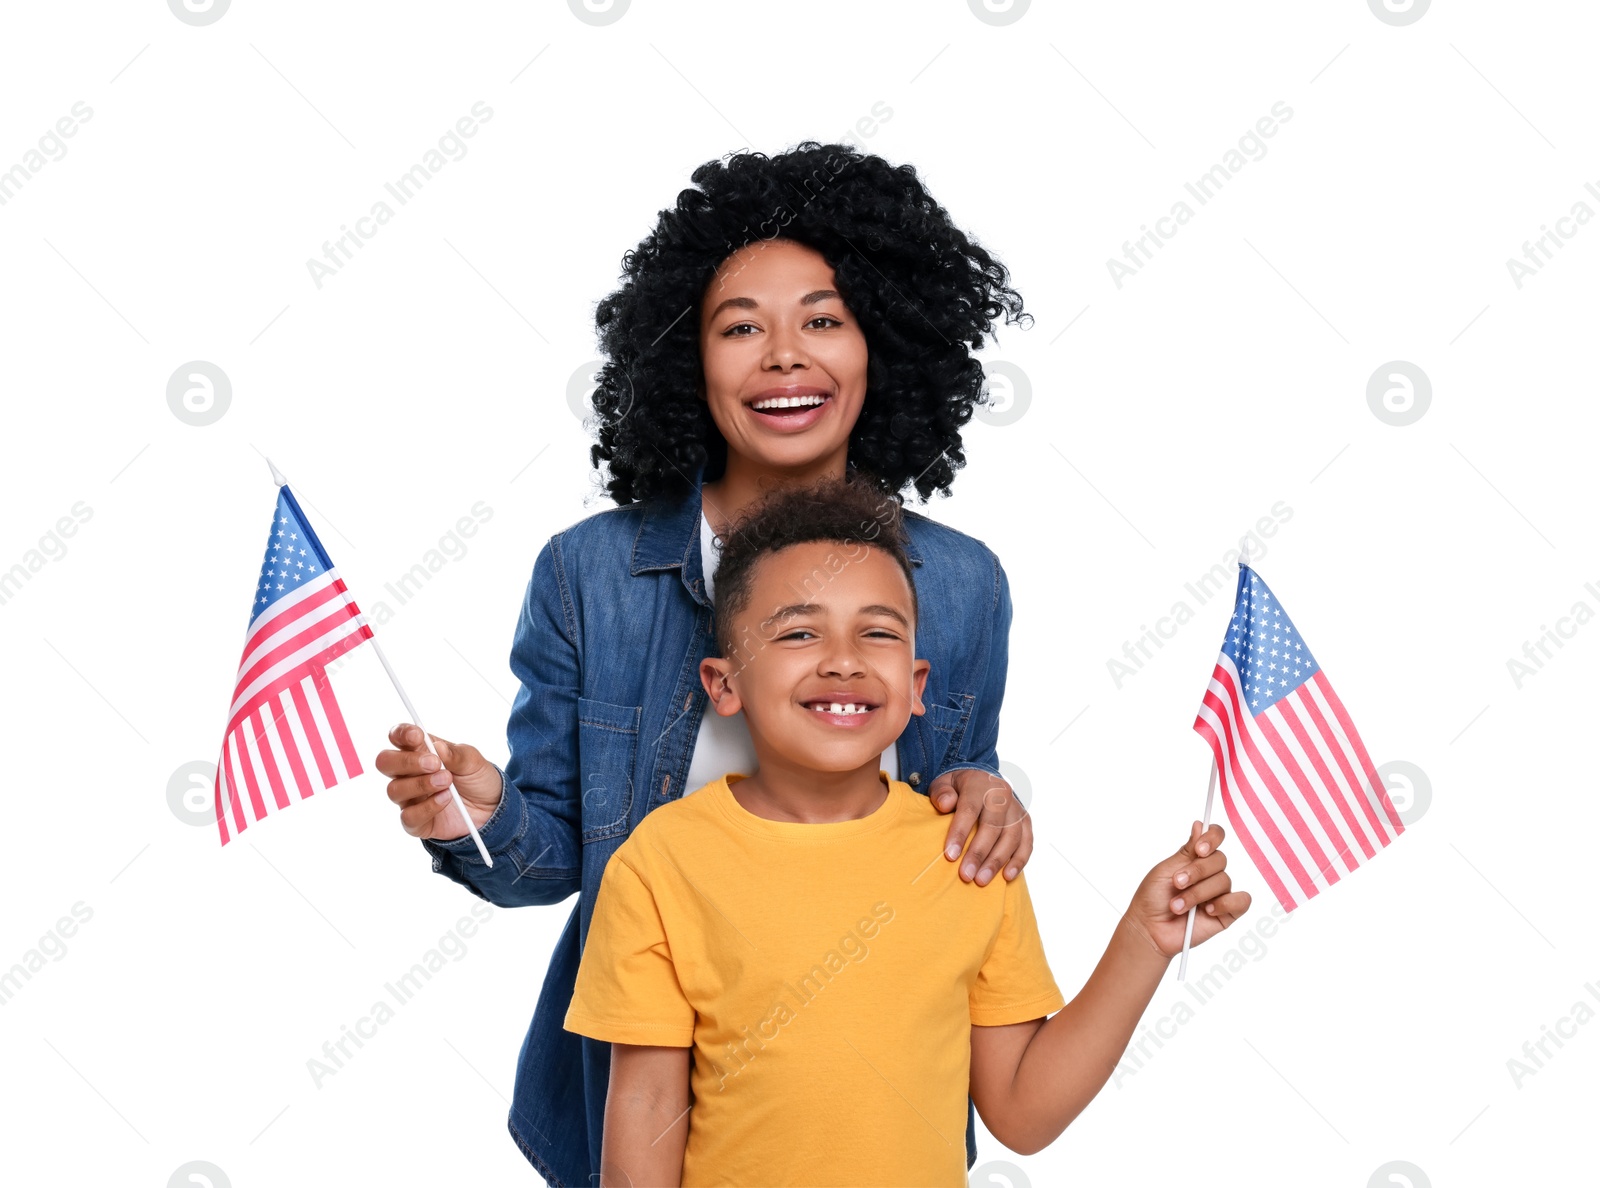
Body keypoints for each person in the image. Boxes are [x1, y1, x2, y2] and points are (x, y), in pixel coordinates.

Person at [374, 142, 1040, 1186]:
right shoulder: (589, 574)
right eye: (741, 328)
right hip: (631, 1094)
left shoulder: (958, 586)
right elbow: (550, 867)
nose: (783, 357)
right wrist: (482, 807)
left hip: (865, 1111)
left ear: (885, 345)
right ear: (687, 360)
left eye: (823, 319)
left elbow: (946, 832)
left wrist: (986, 795)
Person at [564, 476, 1251, 1186]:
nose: (844, 658)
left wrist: (1144, 940)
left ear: (918, 683)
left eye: (878, 632)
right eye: (800, 632)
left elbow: (1023, 1113)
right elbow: (646, 1105)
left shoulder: (969, 851)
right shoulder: (660, 861)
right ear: (724, 684)